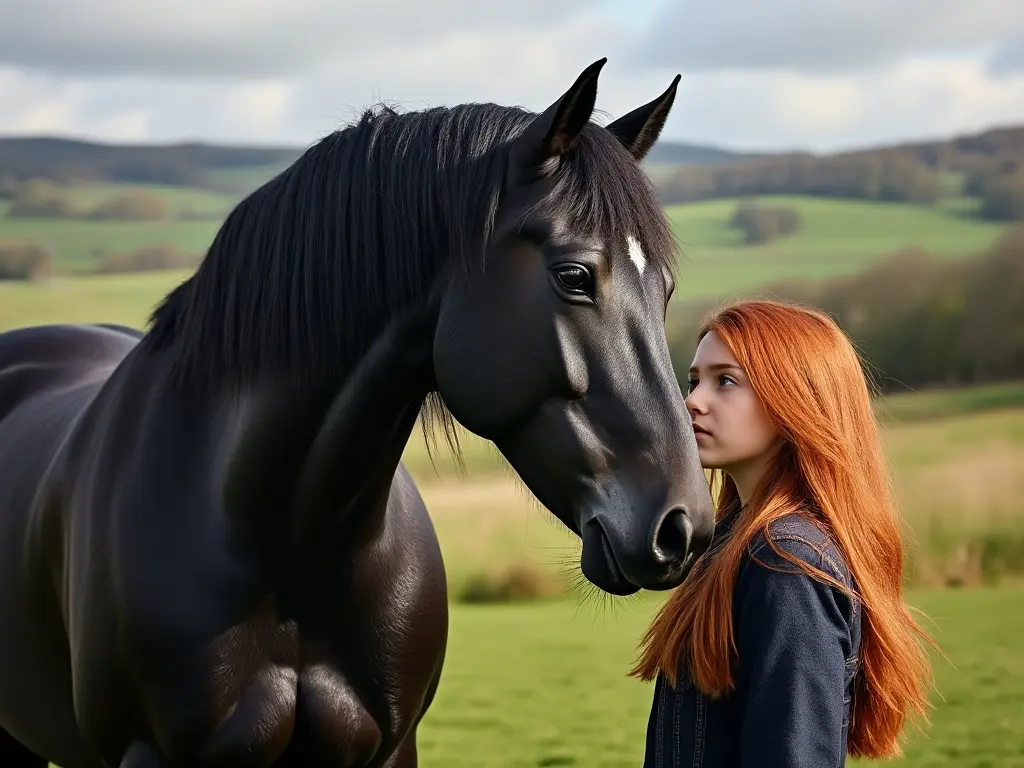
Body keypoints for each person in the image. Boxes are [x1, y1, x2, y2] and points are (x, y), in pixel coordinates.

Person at [631, 299, 935, 767]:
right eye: (694, 381)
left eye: (725, 381)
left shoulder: (787, 563)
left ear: (794, 397)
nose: (692, 400)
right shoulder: (734, 543)